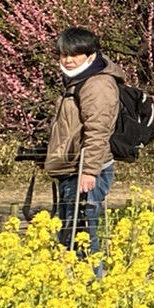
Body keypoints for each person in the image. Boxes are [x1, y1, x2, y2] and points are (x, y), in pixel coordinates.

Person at [45, 28, 124, 255]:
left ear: (90, 55)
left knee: (83, 234)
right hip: (72, 167)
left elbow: (98, 130)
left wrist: (89, 170)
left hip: (86, 170)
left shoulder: (96, 84)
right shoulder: (77, 81)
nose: (68, 60)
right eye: (63, 55)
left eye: (74, 55)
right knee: (71, 232)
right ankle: (77, 284)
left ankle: (91, 283)